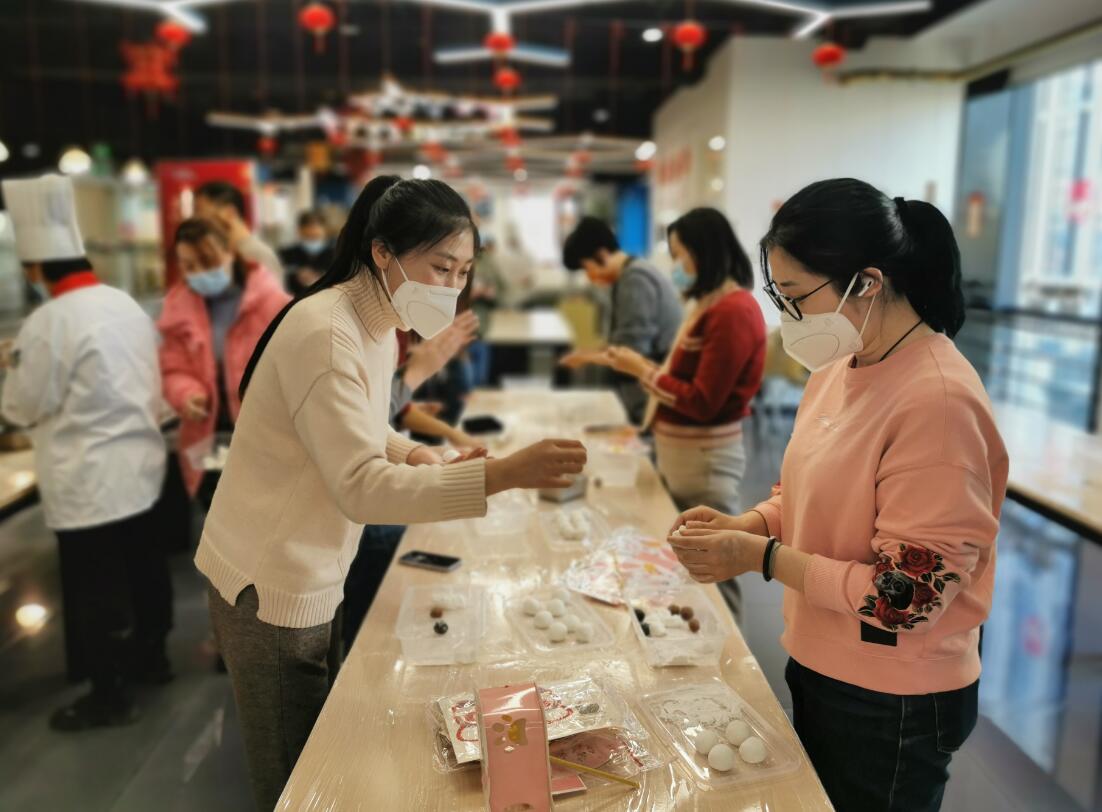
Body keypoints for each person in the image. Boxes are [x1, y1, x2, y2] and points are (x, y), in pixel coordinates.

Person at [195, 175, 586, 810]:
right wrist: (503, 474)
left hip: (314, 565)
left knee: (317, 748)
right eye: (440, 267)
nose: (451, 287)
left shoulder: (375, 324)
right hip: (268, 582)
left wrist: (417, 453)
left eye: (462, 272)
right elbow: (360, 487)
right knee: (295, 783)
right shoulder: (328, 331)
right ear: (382, 253)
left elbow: (362, 427)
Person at [667, 179, 1008, 812]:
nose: (789, 318)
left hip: (894, 696)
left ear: (867, 283)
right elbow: (806, 492)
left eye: (797, 296)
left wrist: (763, 558)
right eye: (780, 297)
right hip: (822, 657)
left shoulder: (937, 401)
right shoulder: (837, 370)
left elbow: (905, 597)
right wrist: (749, 524)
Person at [0, 174, 171, 730]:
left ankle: (108, 695)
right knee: (144, 570)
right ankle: (153, 659)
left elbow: (22, 406)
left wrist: (12, 368)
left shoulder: (47, 322)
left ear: (35, 268)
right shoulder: (123, 303)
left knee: (95, 588)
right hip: (141, 466)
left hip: (87, 479)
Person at [158, 218, 291, 501]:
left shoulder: (272, 303)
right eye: (188, 266)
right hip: (208, 438)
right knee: (215, 513)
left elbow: (296, 370)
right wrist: (186, 394)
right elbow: (173, 367)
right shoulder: (178, 307)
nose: (199, 273)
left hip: (265, 438)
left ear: (230, 252)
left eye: (208, 261)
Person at [559, 216, 682, 423]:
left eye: (587, 268)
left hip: (653, 397)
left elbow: (631, 351)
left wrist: (588, 357)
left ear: (602, 255)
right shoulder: (630, 274)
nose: (589, 277)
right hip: (648, 388)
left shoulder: (635, 280)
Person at [194, 181, 285, 288]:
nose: (198, 222)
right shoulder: (230, 254)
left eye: (201, 213)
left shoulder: (256, 254)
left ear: (229, 213)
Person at [280, 210, 334, 297]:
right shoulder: (287, 254)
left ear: (326, 230)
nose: (312, 231)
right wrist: (296, 275)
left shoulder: (335, 254)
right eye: (308, 236)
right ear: (300, 230)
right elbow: (280, 278)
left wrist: (321, 277)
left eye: (315, 236)